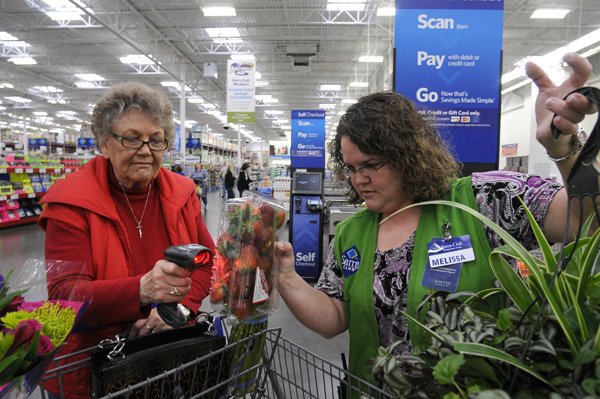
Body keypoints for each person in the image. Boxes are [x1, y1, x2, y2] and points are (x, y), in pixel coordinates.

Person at [274, 52, 597, 391]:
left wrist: (562, 147)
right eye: (352, 168)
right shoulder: (352, 232)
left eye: (370, 165)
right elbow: (335, 318)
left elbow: (582, 220)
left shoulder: (482, 201)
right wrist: (287, 278)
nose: (358, 179)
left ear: (407, 155)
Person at [38, 82, 215, 399]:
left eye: (156, 140)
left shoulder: (182, 193)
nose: (146, 150)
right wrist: (142, 289)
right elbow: (65, 294)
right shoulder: (71, 202)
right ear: (104, 144)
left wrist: (180, 310)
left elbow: (206, 261)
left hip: (163, 360)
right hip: (93, 371)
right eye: (132, 138)